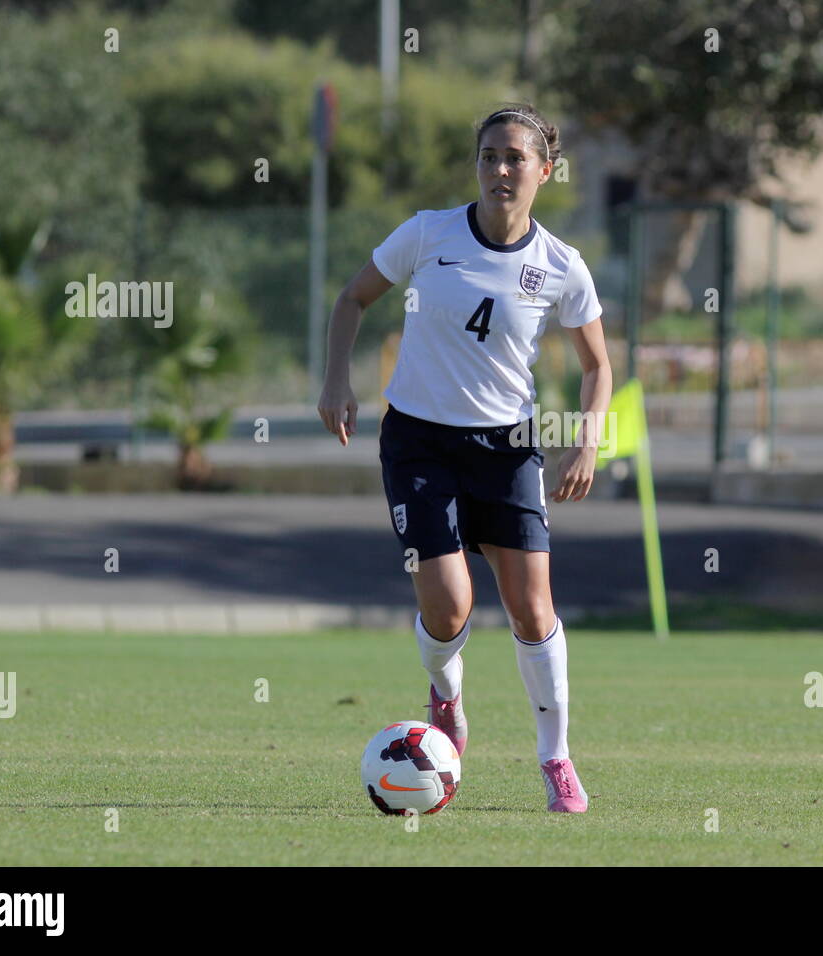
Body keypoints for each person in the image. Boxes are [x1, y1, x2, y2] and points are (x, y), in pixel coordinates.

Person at [317, 104, 612, 813]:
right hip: (418, 439)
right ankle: (445, 695)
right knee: (449, 608)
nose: (500, 170)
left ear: (546, 169)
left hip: (507, 449)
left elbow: (598, 365)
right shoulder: (427, 233)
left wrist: (588, 439)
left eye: (516, 158)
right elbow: (353, 298)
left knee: (532, 611)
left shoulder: (561, 266)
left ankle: (556, 759)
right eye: (489, 156)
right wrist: (336, 378)